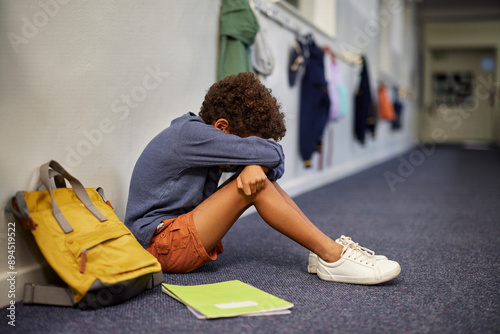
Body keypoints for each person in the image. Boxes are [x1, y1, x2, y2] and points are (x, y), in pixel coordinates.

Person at [125, 72, 400, 285]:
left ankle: (325, 251)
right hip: (157, 244)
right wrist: (256, 163)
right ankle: (332, 255)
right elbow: (274, 154)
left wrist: (254, 165)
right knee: (253, 187)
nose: (242, 158)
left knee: (258, 181)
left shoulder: (208, 139)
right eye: (244, 146)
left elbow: (273, 163)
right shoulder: (190, 136)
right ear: (222, 127)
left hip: (173, 236)